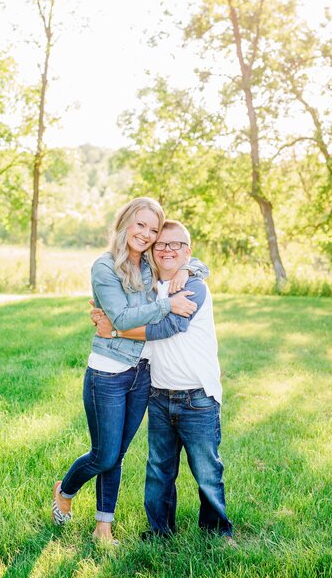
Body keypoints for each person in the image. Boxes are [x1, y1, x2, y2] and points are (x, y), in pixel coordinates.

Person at [52, 198, 208, 544]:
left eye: (153, 229)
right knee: (104, 454)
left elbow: (188, 259)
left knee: (118, 454)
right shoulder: (104, 267)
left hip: (143, 373)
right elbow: (121, 318)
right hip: (107, 372)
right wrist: (167, 303)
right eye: (141, 225)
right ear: (125, 223)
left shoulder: (152, 262)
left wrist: (188, 270)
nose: (147, 234)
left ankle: (102, 527)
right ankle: (66, 488)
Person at [94, 219, 233, 539]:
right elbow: (122, 302)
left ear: (188, 251)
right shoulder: (149, 285)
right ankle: (160, 529)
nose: (168, 250)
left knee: (207, 470)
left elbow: (170, 327)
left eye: (176, 245)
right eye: (161, 245)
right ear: (153, 251)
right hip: (158, 393)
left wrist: (114, 330)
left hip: (198, 395)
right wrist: (104, 313)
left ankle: (216, 531)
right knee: (158, 468)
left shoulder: (194, 286)